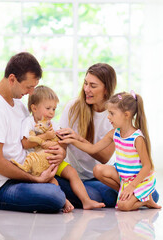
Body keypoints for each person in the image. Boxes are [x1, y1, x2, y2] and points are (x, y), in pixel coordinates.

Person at [0, 52, 67, 213]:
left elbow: (33, 140)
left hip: (28, 173)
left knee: (98, 192)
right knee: (54, 197)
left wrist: (59, 152)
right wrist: (36, 180)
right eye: (28, 87)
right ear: (12, 79)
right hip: (1, 187)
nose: (31, 93)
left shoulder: (19, 105)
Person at [60, 91, 162, 211]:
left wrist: (132, 187)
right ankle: (136, 196)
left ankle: (146, 201)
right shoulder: (114, 133)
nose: (108, 117)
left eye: (112, 113)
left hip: (138, 180)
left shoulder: (137, 138)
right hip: (124, 178)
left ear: (126, 115)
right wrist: (72, 140)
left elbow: (147, 166)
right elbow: (93, 149)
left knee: (123, 206)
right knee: (98, 169)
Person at [21, 85, 105, 212]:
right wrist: (46, 136)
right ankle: (65, 202)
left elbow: (61, 146)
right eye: (48, 108)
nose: (52, 112)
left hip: (53, 160)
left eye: (54, 109)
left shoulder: (54, 124)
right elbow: (25, 143)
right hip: (39, 163)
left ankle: (86, 201)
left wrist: (62, 144)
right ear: (34, 107)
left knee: (72, 172)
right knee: (51, 181)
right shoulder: (29, 123)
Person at [55, 63, 119, 208]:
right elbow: (61, 147)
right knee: (99, 196)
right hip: (72, 177)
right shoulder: (73, 108)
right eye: (85, 83)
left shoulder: (114, 115)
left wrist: (78, 139)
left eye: (93, 86)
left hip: (98, 177)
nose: (86, 90)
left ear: (106, 89)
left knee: (153, 195)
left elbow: (105, 157)